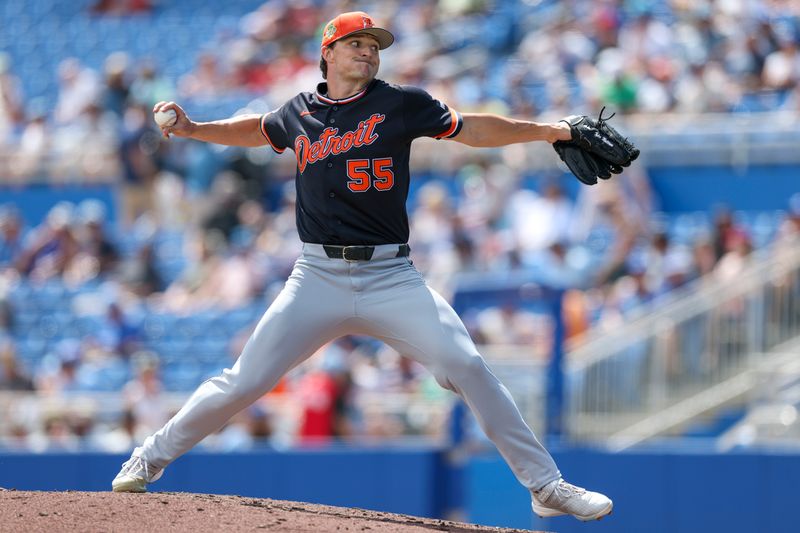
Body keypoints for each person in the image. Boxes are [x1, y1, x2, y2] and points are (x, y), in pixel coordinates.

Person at [111, 11, 613, 522]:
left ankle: (546, 486)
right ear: (327, 52)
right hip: (316, 277)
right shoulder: (299, 111)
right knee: (244, 381)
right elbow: (259, 131)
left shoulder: (400, 103)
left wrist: (550, 131)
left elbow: (474, 129)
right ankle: (147, 459)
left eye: (375, 45)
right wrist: (196, 128)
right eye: (357, 43)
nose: (369, 52)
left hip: (390, 276)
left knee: (465, 365)